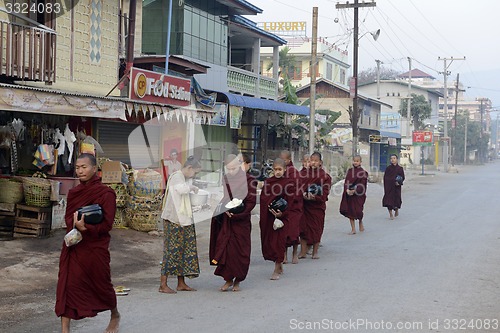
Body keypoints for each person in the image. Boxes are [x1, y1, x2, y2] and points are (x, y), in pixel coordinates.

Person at [55, 153, 120, 333]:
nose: (80, 171)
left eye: (84, 167)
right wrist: (75, 225)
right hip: (76, 246)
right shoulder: (74, 193)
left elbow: (107, 224)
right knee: (68, 285)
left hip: (95, 247)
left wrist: (87, 229)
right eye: (77, 167)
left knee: (102, 283)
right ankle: (65, 330)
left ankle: (115, 314)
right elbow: (68, 217)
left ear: (94, 168)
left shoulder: (106, 194)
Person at [210, 154, 257, 291]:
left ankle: (237, 281)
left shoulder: (249, 180)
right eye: (228, 169)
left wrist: (239, 213)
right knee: (226, 249)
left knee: (240, 252)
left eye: (234, 168)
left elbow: (251, 202)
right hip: (228, 220)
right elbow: (226, 197)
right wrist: (223, 209)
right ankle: (228, 280)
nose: (231, 172)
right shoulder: (226, 179)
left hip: (241, 221)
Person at [159, 156, 202, 294]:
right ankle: (163, 284)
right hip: (174, 219)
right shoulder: (177, 177)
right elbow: (182, 190)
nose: (194, 175)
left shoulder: (183, 178)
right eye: (195, 172)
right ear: (189, 168)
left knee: (183, 251)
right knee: (171, 251)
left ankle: (181, 283)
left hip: (183, 219)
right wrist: (192, 187)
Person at [259, 158, 296, 280]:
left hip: (282, 217)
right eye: (275, 170)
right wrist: (270, 208)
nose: (278, 172)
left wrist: (282, 213)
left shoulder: (289, 182)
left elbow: (290, 200)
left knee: (279, 242)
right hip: (269, 217)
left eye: (280, 169)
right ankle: (279, 264)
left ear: (285, 170)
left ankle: (276, 268)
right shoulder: (269, 182)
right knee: (270, 241)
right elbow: (264, 198)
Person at [298, 152, 332, 259]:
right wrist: (303, 194)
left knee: (317, 228)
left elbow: (325, 193)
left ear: (320, 163)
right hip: (305, 206)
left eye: (316, 161)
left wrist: (315, 197)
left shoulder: (324, 177)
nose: (313, 163)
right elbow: (298, 188)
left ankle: (315, 252)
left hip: (317, 207)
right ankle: (303, 252)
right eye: (311, 160)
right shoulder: (303, 175)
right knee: (303, 229)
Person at [279, 150, 302, 264]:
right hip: (284, 207)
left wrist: (292, 199)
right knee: (284, 232)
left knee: (294, 232)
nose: (282, 162)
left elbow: (298, 189)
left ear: (289, 160)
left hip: (294, 207)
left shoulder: (294, 172)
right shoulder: (280, 171)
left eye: (284, 160)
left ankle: (294, 254)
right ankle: (284, 256)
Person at [339, 155, 368, 234]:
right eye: (354, 161)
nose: (355, 162)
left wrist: (355, 191)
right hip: (350, 195)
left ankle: (360, 221)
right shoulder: (350, 171)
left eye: (357, 161)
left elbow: (363, 185)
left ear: (360, 162)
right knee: (350, 212)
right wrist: (347, 190)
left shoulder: (363, 173)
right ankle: (353, 229)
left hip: (358, 195)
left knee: (358, 211)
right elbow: (346, 182)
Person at [382, 154, 405, 220]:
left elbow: (403, 177)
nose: (392, 160)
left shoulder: (400, 169)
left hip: (397, 187)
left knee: (397, 200)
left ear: (397, 159)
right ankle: (391, 214)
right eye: (391, 158)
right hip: (389, 187)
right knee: (388, 201)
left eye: (394, 158)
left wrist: (399, 182)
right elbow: (385, 177)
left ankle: (396, 209)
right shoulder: (388, 168)